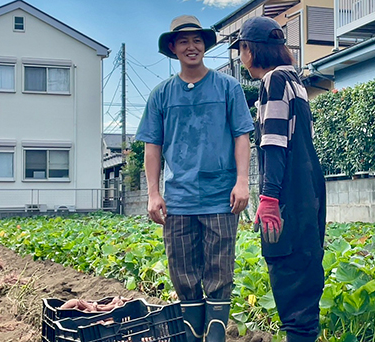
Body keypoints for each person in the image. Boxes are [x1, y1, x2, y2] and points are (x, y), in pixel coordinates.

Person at [136, 15, 254, 342]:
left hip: (220, 198)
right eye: (184, 41)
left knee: (219, 275)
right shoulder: (161, 95)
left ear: (205, 45)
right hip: (179, 200)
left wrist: (242, 181)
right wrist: (153, 193)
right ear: (173, 48)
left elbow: (242, 136)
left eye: (198, 40)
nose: (192, 46)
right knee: (184, 277)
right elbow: (152, 146)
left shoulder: (227, 87)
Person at [229, 16, 326, 342]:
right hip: (309, 190)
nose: (241, 56)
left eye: (241, 48)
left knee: (289, 276)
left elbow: (273, 144)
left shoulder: (273, 82)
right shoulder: (297, 82)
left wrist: (269, 198)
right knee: (306, 270)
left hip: (288, 195)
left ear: (249, 50)